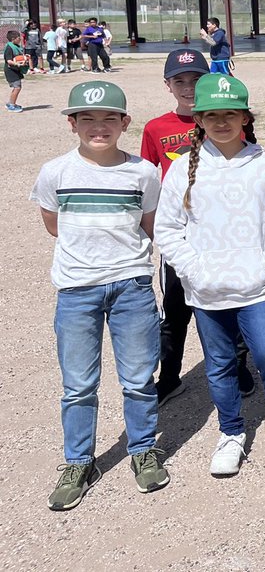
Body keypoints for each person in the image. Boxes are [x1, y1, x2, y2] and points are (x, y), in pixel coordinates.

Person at [154, 73, 265, 480]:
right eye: (212, 115)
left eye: (231, 114)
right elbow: (167, 228)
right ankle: (231, 432)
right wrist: (194, 270)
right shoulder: (183, 168)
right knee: (219, 364)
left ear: (245, 118)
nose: (222, 122)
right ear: (199, 119)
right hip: (206, 289)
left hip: (254, 285)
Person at [30, 80, 169, 510]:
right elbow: (53, 224)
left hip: (131, 285)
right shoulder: (55, 171)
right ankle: (79, 460)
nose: (99, 127)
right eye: (87, 119)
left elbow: (149, 225)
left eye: (110, 118)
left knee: (139, 379)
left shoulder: (143, 173)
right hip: (76, 289)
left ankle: (143, 448)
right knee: (77, 385)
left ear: (125, 123)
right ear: (72, 124)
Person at [141, 49, 255, 405]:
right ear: (168, 85)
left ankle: (238, 368)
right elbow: (146, 179)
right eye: (180, 81)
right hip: (181, 236)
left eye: (195, 80)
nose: (188, 87)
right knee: (174, 312)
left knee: (229, 304)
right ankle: (170, 376)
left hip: (222, 233)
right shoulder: (156, 128)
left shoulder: (226, 119)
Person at [5, 30, 28, 112]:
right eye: (19, 38)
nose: (20, 39)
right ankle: (11, 106)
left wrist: (24, 59)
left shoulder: (15, 46)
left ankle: (11, 103)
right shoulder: (9, 48)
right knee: (17, 87)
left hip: (15, 70)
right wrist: (18, 64)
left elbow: (18, 57)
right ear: (13, 38)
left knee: (16, 87)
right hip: (11, 71)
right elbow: (9, 61)